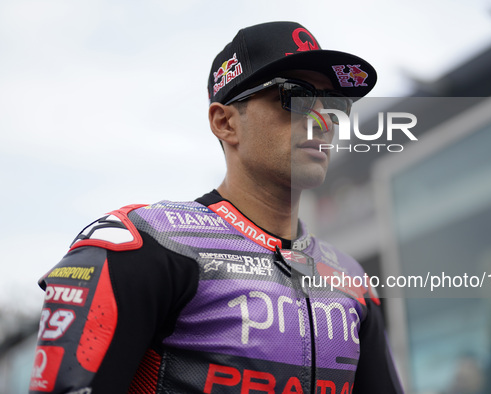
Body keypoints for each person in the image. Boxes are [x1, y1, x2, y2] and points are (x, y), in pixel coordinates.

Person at [29, 21, 403, 393]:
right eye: (295, 96)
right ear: (224, 122)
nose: (323, 120)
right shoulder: (143, 243)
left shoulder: (350, 281)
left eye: (335, 104)